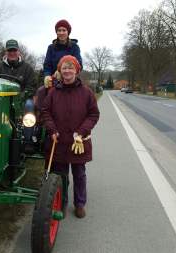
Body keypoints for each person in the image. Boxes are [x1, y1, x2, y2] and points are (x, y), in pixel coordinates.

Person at [41, 55, 100, 218]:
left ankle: (80, 204)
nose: (67, 71)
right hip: (58, 142)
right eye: (64, 68)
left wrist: (81, 132)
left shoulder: (86, 93)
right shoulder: (53, 92)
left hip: (78, 143)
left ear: (76, 70)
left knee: (79, 174)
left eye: (70, 67)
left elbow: (93, 114)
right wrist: (52, 129)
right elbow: (45, 112)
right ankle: (62, 203)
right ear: (60, 71)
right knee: (61, 176)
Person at [43, 19, 83, 88]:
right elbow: (47, 65)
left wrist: (61, 71)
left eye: (64, 30)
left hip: (71, 81)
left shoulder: (74, 47)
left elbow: (79, 64)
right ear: (56, 32)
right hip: (54, 82)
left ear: (68, 32)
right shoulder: (51, 48)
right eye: (59, 30)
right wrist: (47, 75)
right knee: (41, 92)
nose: (61, 33)